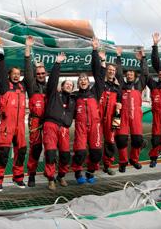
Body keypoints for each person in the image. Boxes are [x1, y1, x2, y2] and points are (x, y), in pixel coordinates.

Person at [0, 43, 27, 191]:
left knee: (21, 152)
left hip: (20, 126)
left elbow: (30, 74)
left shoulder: (23, 87)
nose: (17, 75)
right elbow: (0, 71)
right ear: (9, 75)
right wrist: (0, 56)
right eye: (14, 73)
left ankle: (18, 178)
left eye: (19, 73)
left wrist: (28, 53)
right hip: (7, 126)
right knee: (3, 153)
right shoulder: (5, 86)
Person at [71, 37, 106, 184]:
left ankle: (90, 173)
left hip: (95, 127)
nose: (83, 80)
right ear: (78, 83)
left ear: (88, 81)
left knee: (96, 153)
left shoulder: (95, 92)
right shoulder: (74, 96)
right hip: (80, 127)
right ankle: (78, 173)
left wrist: (94, 50)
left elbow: (99, 74)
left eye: (85, 79)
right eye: (80, 79)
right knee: (79, 153)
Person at [42, 52, 76, 190]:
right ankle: (50, 179)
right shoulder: (54, 94)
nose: (68, 86)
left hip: (64, 129)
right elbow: (52, 81)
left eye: (70, 85)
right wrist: (57, 63)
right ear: (61, 87)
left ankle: (61, 176)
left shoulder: (74, 99)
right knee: (50, 153)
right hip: (51, 125)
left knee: (65, 155)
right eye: (66, 84)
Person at [115, 47, 148, 173]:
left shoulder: (139, 85)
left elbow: (145, 74)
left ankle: (134, 160)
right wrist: (118, 57)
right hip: (122, 116)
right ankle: (123, 162)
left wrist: (143, 59)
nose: (129, 75)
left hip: (136, 116)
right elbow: (118, 73)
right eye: (127, 74)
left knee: (138, 140)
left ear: (134, 76)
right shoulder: (122, 85)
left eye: (131, 74)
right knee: (121, 140)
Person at [24, 36, 47, 187]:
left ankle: (52, 174)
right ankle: (31, 174)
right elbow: (28, 71)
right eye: (38, 74)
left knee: (52, 148)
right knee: (35, 148)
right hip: (36, 121)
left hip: (50, 121)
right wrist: (28, 49)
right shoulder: (32, 87)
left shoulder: (50, 86)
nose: (40, 75)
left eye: (42, 73)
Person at [99, 48, 122, 176]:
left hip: (114, 116)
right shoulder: (101, 84)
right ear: (106, 72)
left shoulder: (118, 87)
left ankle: (107, 165)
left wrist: (119, 107)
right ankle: (93, 167)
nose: (111, 72)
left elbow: (120, 103)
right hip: (99, 116)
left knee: (110, 142)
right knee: (95, 141)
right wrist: (102, 60)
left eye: (113, 70)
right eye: (109, 70)